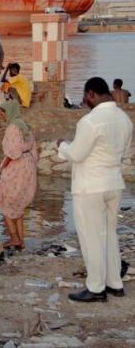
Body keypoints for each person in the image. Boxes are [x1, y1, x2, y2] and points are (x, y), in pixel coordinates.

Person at [57, 77, 133, 302]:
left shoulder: (90, 121)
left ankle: (96, 288)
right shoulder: (124, 119)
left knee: (92, 237)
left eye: (85, 97)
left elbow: (77, 154)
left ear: (91, 94)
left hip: (90, 186)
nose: (84, 101)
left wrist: (62, 145)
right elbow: (125, 154)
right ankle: (115, 284)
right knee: (110, 234)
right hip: (114, 183)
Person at [0, 99, 38, 250]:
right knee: (18, 205)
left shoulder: (12, 128)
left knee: (5, 202)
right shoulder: (24, 126)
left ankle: (14, 238)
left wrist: (4, 164)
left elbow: (14, 152)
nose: (0, 115)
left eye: (2, 112)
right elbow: (34, 149)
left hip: (17, 167)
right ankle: (21, 241)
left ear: (9, 112)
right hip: (28, 166)